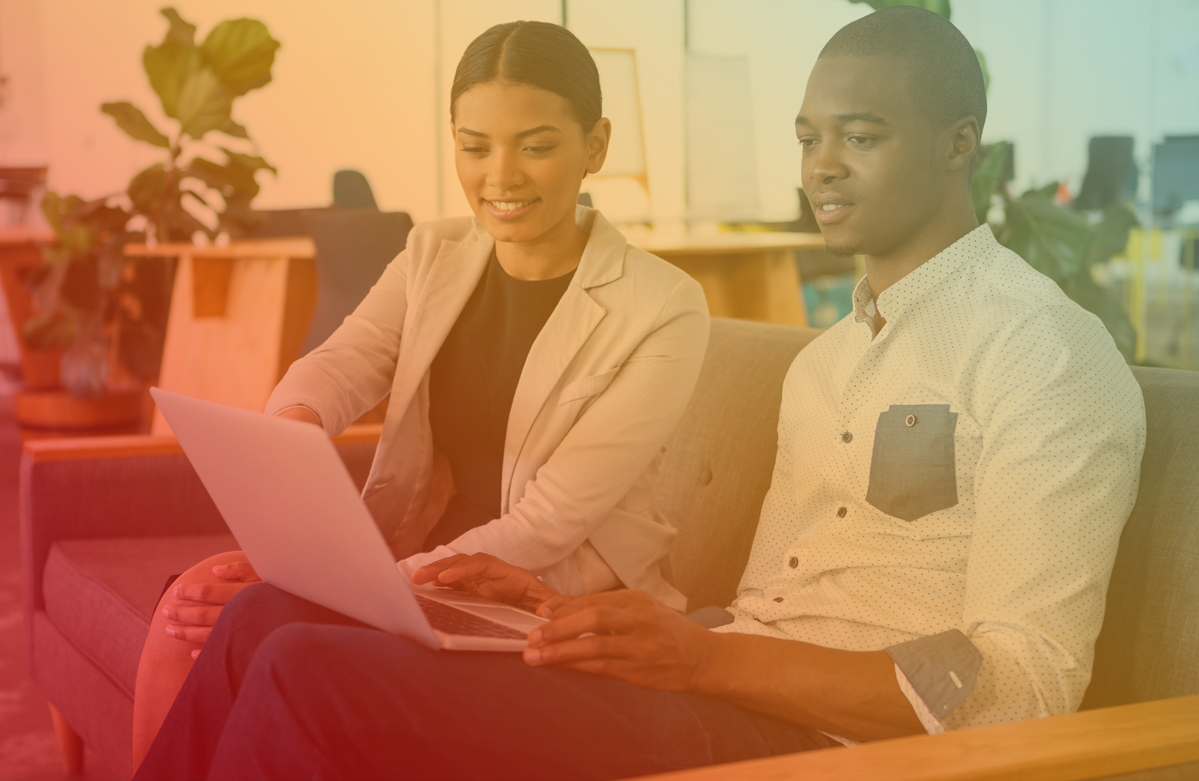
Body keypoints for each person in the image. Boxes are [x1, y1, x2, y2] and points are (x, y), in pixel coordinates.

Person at [134, 7, 1147, 780]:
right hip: (724, 685)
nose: (820, 167)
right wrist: (582, 617)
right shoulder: (831, 361)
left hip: (823, 745)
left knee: (307, 672)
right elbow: (768, 611)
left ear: (958, 142)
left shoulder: (1042, 352)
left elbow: (1021, 684)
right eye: (807, 137)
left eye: (861, 135)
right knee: (266, 620)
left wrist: (699, 661)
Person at [130, 20, 711, 769]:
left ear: (594, 145)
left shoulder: (661, 305)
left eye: (535, 145)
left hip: (546, 600)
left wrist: (378, 582)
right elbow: (340, 363)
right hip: (423, 573)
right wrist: (298, 430)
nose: (500, 176)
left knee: (292, 646)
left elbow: (552, 520)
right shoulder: (433, 254)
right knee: (247, 614)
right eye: (474, 146)